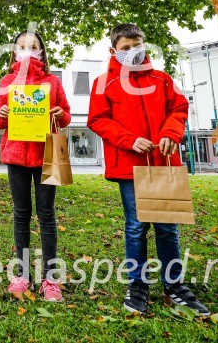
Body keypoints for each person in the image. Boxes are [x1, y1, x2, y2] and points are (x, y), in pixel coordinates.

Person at [87, 23, 210, 316]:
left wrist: (171, 132)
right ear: (113, 51)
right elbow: (98, 120)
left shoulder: (163, 79)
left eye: (137, 45)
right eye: (125, 48)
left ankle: (174, 285)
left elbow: (179, 109)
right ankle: (137, 285)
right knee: (136, 227)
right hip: (129, 167)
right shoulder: (104, 83)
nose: (132, 52)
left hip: (163, 163)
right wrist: (129, 140)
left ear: (145, 44)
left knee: (168, 228)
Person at [0, 31, 71, 302]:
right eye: (22, 47)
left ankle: (51, 279)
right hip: (16, 156)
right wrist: (2, 115)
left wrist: (61, 114)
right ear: (14, 52)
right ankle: (22, 274)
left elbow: (66, 114)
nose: (28, 50)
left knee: (46, 214)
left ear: (41, 51)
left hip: (46, 154)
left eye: (33, 46)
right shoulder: (7, 82)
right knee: (21, 213)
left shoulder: (52, 82)